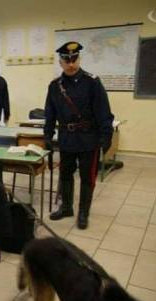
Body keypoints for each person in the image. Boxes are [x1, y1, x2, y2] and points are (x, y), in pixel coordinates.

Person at [44, 42, 114, 230]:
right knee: (65, 175)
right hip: (66, 138)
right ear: (60, 62)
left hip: (88, 139)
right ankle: (66, 207)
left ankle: (84, 212)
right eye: (67, 60)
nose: (71, 64)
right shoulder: (54, 86)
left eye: (74, 59)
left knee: (87, 177)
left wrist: (106, 137)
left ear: (79, 59)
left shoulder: (92, 82)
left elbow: (104, 112)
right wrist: (47, 136)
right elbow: (49, 113)